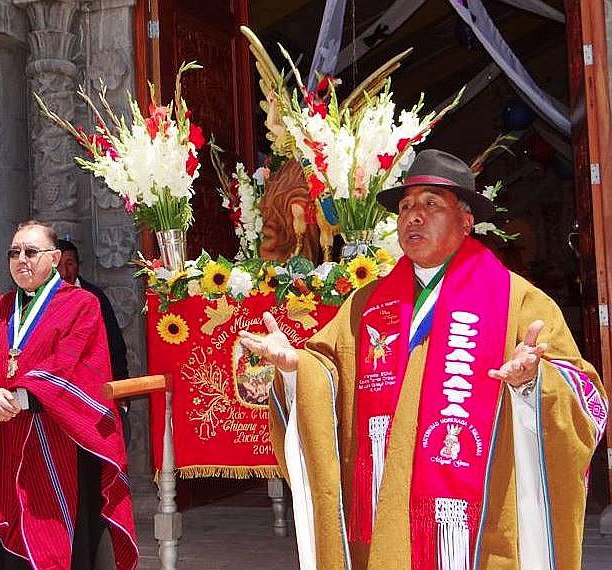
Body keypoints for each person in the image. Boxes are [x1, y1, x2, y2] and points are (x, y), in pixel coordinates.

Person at [240, 149, 608, 570]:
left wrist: (532, 383)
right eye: (406, 207)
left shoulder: (517, 301)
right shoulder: (366, 304)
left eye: (431, 204)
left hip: (473, 531)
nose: (413, 216)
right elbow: (327, 368)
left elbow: (589, 402)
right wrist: (295, 368)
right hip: (384, 516)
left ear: (466, 219)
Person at [0, 220, 138, 570]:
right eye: (14, 253)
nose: (21, 260)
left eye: (31, 252)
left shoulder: (81, 305)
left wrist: (19, 398)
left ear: (55, 258)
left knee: (54, 545)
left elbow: (72, 367)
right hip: (1, 446)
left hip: (56, 443)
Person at [57, 239, 131, 445]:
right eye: (59, 265)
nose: (64, 271)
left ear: (79, 264)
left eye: (70, 263)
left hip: (99, 394)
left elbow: (115, 345)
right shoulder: (43, 300)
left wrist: (122, 393)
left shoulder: (95, 297)